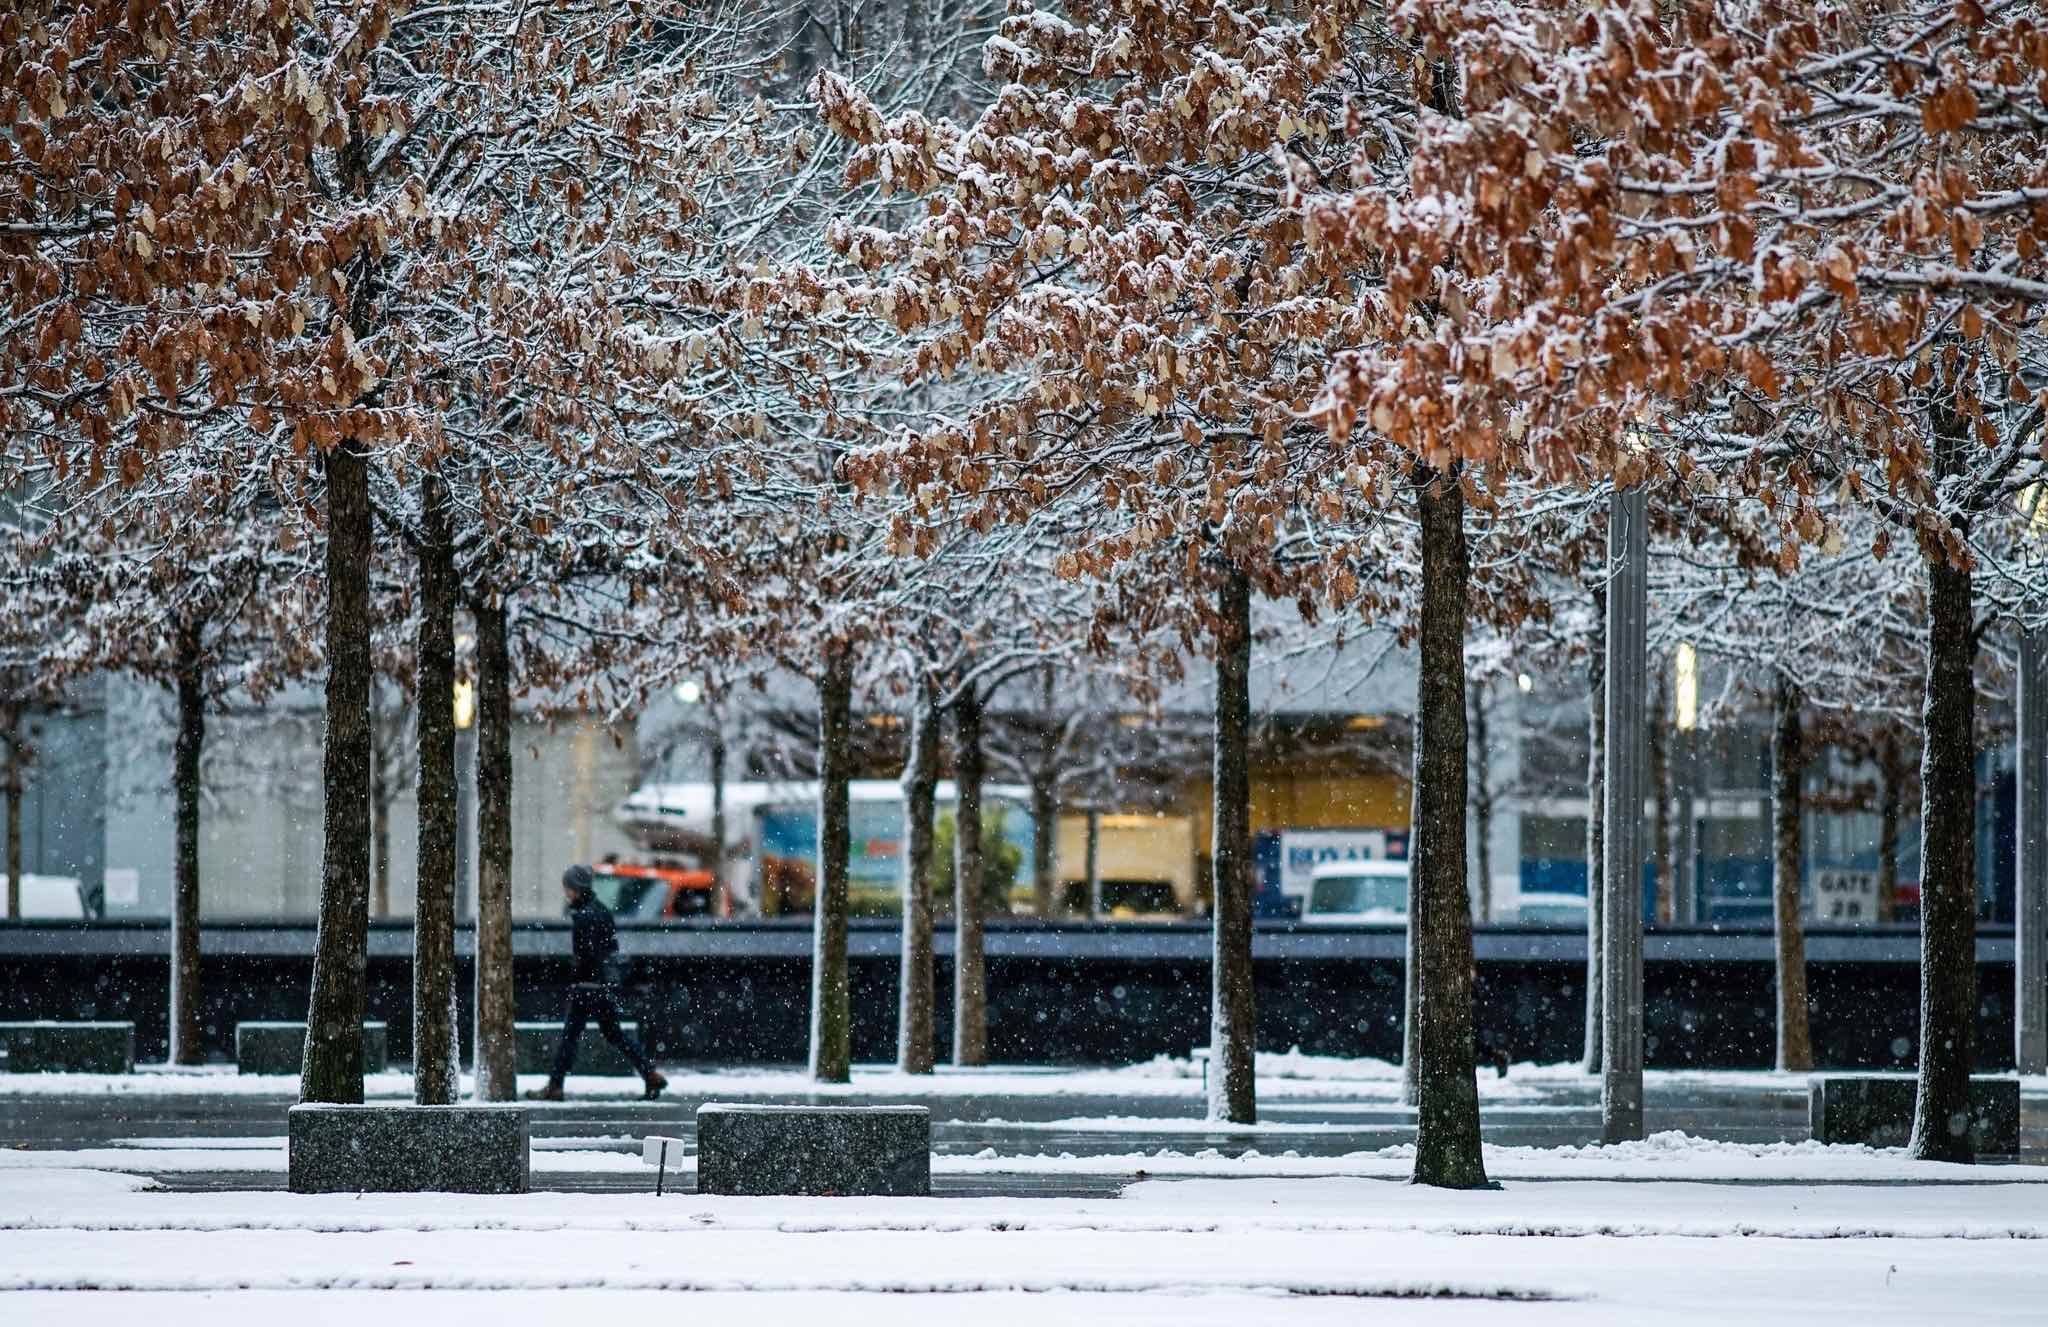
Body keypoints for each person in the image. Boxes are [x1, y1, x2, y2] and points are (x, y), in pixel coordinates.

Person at [525, 864, 668, 1101]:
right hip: (602, 985)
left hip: (586, 986)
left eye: (567, 887)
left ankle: (555, 1086)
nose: (566, 892)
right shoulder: (601, 910)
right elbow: (610, 948)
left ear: (575, 888)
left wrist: (579, 977)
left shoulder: (583, 915)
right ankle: (649, 1073)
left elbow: (587, 953)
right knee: (615, 1034)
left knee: (570, 1036)